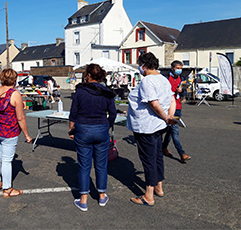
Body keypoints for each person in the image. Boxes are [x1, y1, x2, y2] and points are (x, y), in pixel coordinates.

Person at [126, 52, 176, 206]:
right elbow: (172, 100)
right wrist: (169, 117)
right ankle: (158, 187)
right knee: (157, 156)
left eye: (140, 66)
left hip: (146, 126)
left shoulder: (148, 81)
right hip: (158, 126)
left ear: (145, 66)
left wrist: (166, 117)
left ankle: (149, 195)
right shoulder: (164, 80)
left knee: (148, 160)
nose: (140, 69)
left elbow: (154, 103)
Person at [69, 64, 116, 212]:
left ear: (88, 75)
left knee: (84, 165)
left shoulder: (80, 91)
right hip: (101, 128)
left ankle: (83, 200)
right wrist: (106, 125)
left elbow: (73, 113)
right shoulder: (107, 92)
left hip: (83, 129)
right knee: (101, 165)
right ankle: (102, 196)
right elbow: (113, 114)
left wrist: (71, 129)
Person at [0, 68, 32, 198]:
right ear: (14, 80)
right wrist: (27, 135)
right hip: (8, 131)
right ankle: (7, 189)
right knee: (6, 161)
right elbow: (20, 118)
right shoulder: (14, 94)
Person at [162, 61, 191, 163]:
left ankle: (163, 147)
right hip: (169, 107)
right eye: (178, 67)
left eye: (181, 68)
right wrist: (174, 91)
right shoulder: (165, 78)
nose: (179, 70)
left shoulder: (181, 79)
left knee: (170, 130)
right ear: (172, 68)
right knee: (175, 131)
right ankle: (182, 153)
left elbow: (185, 91)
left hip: (178, 106)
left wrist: (182, 91)